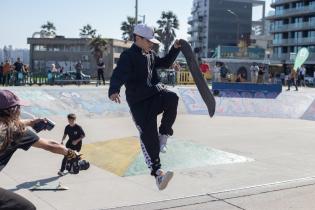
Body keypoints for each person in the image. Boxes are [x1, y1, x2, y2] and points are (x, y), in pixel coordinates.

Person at [108, 24, 181, 190]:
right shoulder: (128, 56)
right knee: (148, 137)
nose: (151, 44)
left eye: (152, 42)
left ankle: (164, 133)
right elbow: (119, 74)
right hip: (139, 104)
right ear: (138, 38)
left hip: (154, 96)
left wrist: (175, 49)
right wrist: (114, 90)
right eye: (148, 41)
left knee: (172, 98)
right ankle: (158, 174)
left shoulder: (151, 54)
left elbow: (166, 62)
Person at [0, 90, 79, 210]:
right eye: (18, 107)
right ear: (13, 110)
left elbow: (7, 122)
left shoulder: (12, 127)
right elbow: (51, 145)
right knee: (27, 208)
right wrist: (72, 153)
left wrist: (31, 122)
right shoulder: (17, 132)